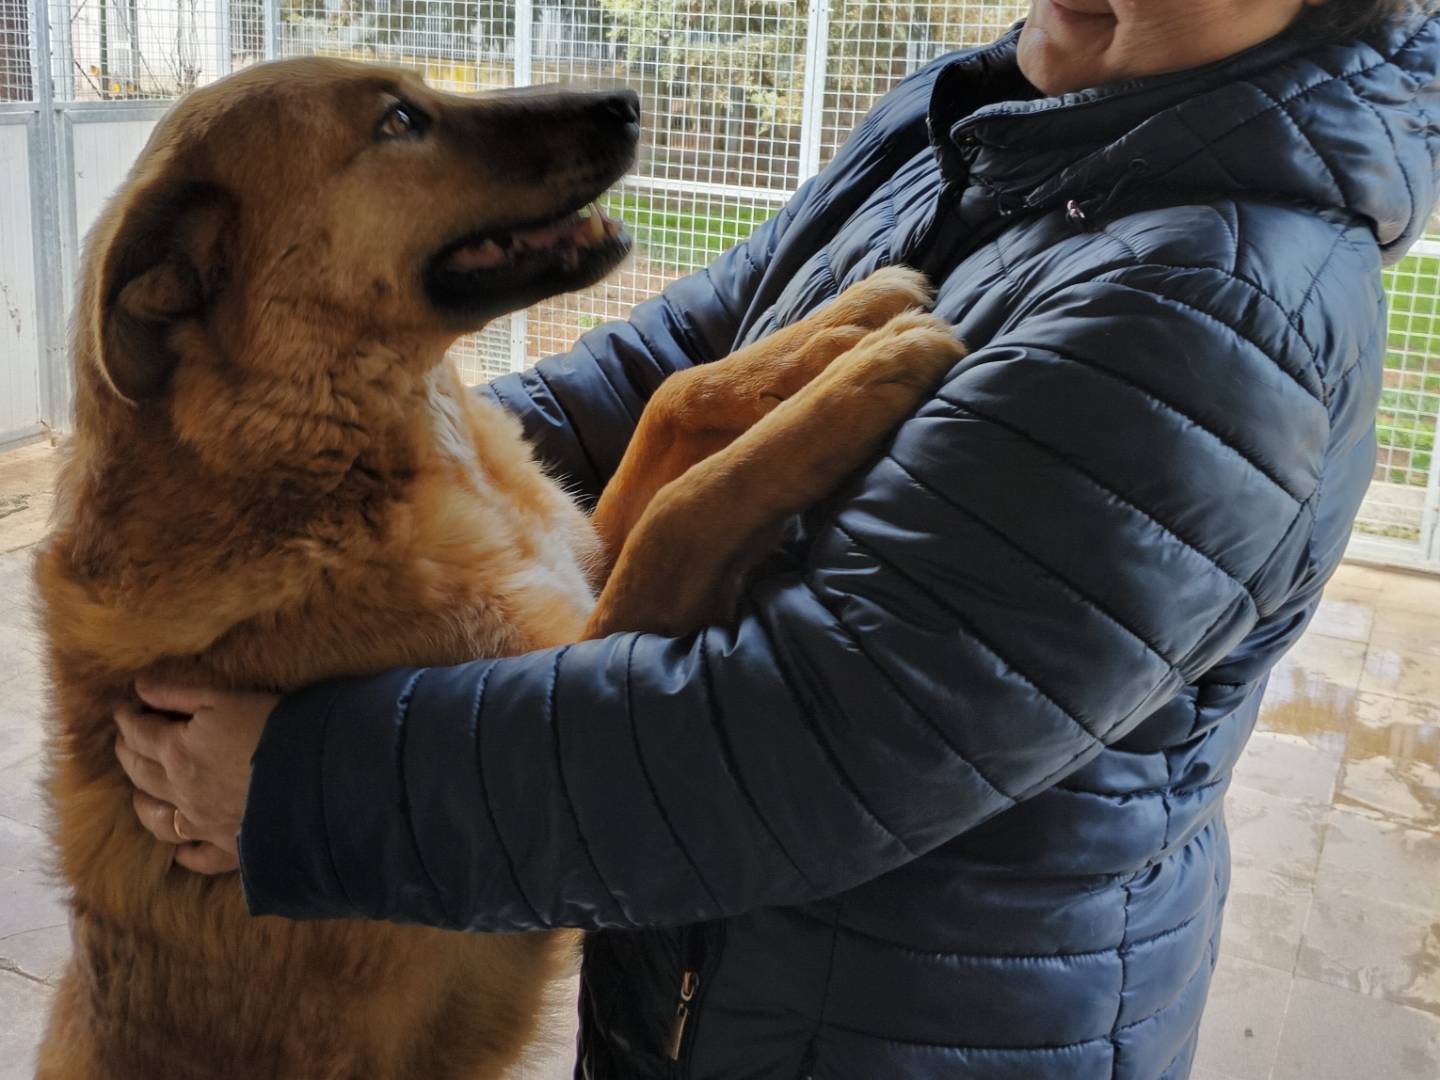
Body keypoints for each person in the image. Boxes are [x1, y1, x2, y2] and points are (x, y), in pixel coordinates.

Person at [112, 1, 1438, 1076]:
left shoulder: (1210, 304)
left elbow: (792, 741)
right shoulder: (990, 115)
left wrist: (301, 790)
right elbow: (681, 353)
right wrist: (314, 484)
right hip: (720, 994)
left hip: (901, 1033)